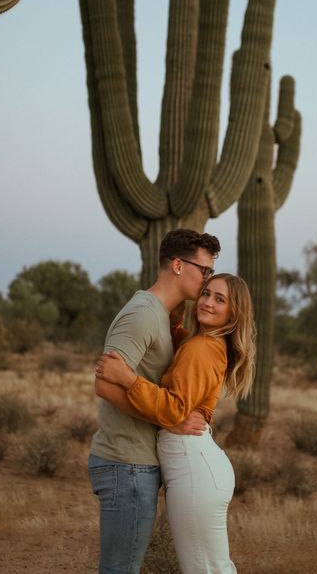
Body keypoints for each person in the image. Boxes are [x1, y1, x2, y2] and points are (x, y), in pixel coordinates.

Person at [97, 272, 256, 574]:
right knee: (212, 567)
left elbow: (176, 409)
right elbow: (179, 345)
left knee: (204, 569)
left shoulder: (202, 348)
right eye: (206, 293)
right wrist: (172, 312)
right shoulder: (203, 342)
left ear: (235, 312)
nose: (207, 302)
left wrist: (129, 379)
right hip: (197, 464)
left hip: (193, 467)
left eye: (219, 299)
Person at [89, 228, 221, 573]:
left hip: (135, 464)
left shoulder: (162, 316)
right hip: (126, 463)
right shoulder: (142, 315)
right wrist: (172, 419)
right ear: (178, 265)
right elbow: (105, 385)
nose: (208, 279)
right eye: (204, 270)